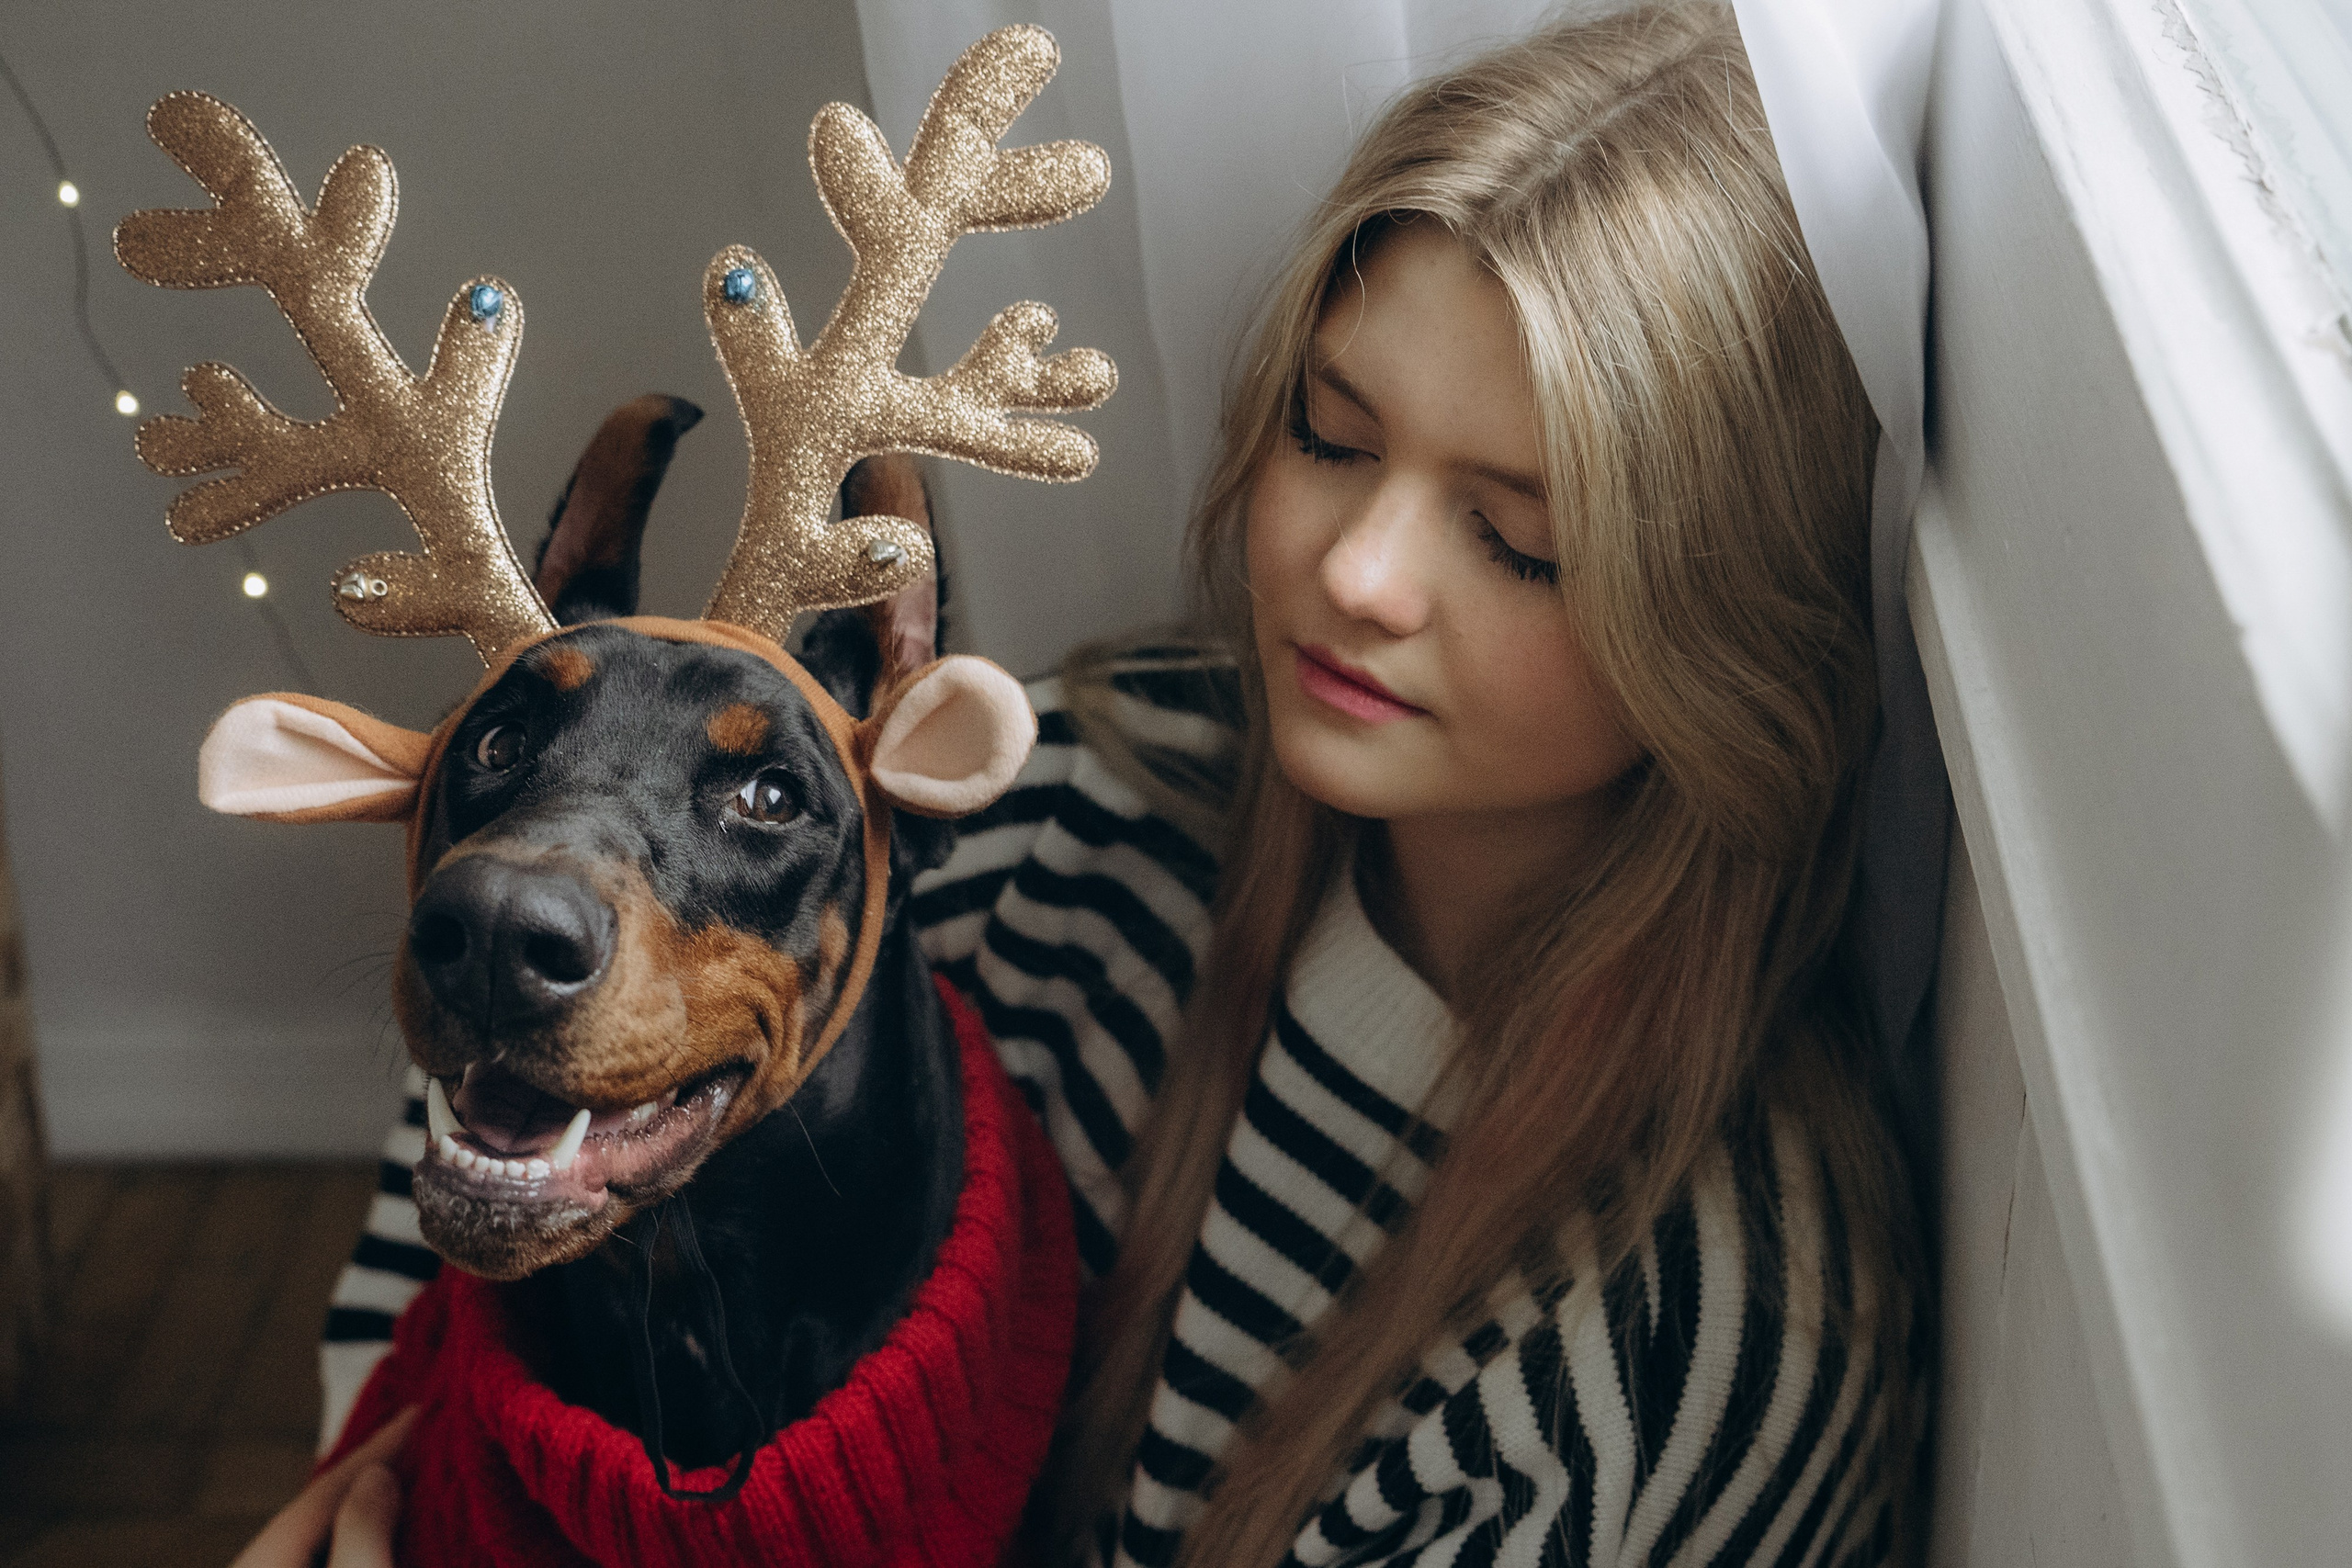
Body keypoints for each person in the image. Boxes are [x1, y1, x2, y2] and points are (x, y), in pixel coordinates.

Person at [285, 6, 1928, 1563]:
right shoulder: (1078, 791)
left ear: (1731, 617)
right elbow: (502, 1121)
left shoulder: (1685, 1357)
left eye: (1519, 539)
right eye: (1332, 437)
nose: (1356, 573)